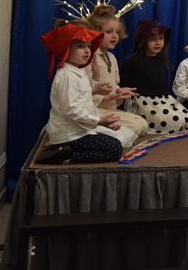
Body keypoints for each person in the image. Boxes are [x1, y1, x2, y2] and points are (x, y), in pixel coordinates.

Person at [36, 22, 123, 164]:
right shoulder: (66, 75)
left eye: (89, 46)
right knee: (114, 148)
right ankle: (64, 155)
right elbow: (71, 109)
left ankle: (66, 152)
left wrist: (95, 90)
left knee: (116, 143)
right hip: (69, 135)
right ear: (66, 49)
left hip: (79, 131)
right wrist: (99, 120)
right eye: (80, 46)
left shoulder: (77, 71)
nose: (87, 51)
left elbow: (82, 98)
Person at [84, 5, 147, 147]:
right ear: (95, 33)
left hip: (110, 109)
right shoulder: (89, 57)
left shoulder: (112, 57)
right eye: (108, 32)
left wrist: (119, 91)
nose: (114, 36)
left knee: (142, 124)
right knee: (136, 127)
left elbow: (114, 85)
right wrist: (107, 97)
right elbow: (83, 91)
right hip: (94, 109)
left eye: (117, 32)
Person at [121, 20, 188, 134]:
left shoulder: (163, 61)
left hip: (162, 99)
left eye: (161, 38)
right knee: (174, 121)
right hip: (142, 101)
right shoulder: (132, 61)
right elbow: (126, 85)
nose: (158, 43)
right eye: (153, 39)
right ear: (143, 40)